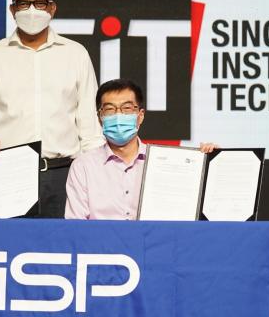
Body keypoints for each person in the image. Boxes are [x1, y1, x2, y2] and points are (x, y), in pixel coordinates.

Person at [0, 0, 105, 218]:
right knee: (9, 239)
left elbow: (89, 127)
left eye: (39, 4)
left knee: (64, 240)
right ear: (12, 10)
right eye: (23, 4)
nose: (31, 11)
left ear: (52, 8)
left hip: (63, 174)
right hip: (8, 173)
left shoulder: (76, 54)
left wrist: (96, 176)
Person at [65, 79, 217, 220]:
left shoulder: (166, 161)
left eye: (127, 108)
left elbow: (187, 211)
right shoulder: (83, 166)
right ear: (100, 117)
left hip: (154, 239)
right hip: (101, 241)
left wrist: (211, 161)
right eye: (110, 109)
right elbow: (75, 227)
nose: (118, 116)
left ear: (140, 116)